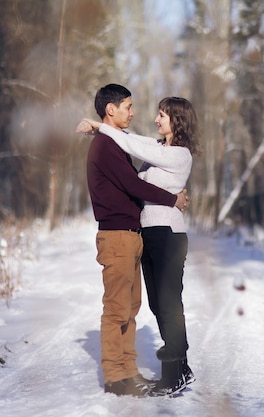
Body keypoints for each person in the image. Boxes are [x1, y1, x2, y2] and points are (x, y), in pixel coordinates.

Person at [76, 96, 199, 397]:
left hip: (168, 234)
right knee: (158, 304)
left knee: (170, 303)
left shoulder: (181, 155)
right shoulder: (157, 149)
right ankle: (182, 368)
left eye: (162, 116)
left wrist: (102, 128)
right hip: (149, 234)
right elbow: (137, 141)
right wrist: (100, 128)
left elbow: (133, 145)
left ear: (176, 120)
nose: (156, 120)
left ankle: (174, 371)